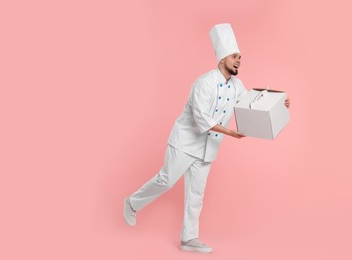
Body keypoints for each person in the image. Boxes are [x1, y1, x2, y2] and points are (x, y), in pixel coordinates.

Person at [123, 23, 290, 253]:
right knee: (166, 180)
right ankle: (132, 203)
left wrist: (280, 103)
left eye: (240, 56)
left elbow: (250, 105)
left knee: (196, 193)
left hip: (209, 147)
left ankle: (189, 238)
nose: (238, 60)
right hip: (184, 142)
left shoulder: (238, 86)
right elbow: (201, 118)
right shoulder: (204, 83)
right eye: (234, 56)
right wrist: (231, 132)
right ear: (222, 59)